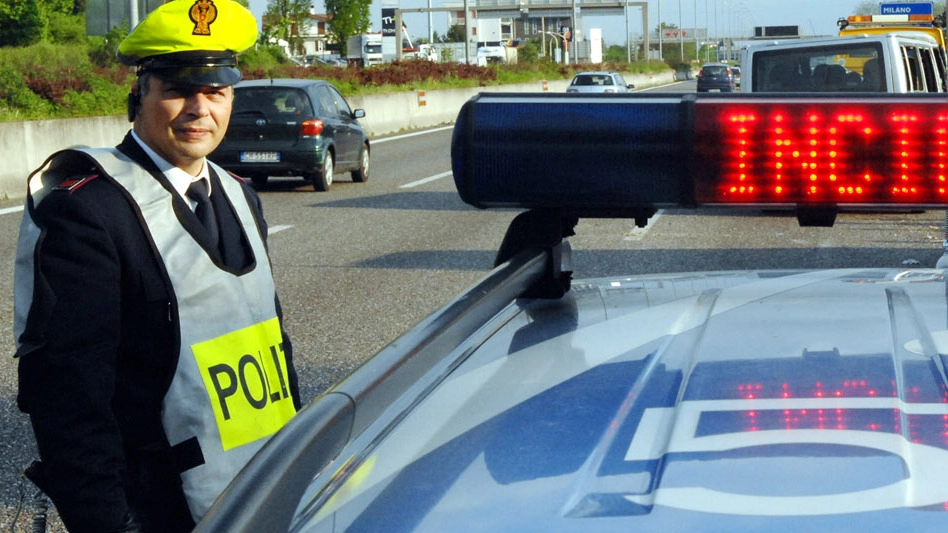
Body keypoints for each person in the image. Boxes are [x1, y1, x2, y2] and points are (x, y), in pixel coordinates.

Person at [12, 1, 301, 531]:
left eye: (216, 91)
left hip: (263, 486)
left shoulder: (239, 194)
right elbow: (70, 398)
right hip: (161, 507)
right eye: (177, 90)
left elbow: (271, 347)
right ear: (137, 96)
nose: (200, 109)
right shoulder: (89, 207)